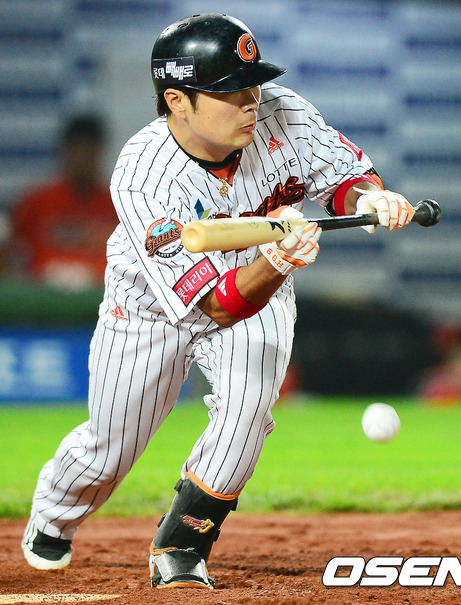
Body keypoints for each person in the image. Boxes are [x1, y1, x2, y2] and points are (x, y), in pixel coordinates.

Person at [21, 13, 415, 589]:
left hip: (261, 284)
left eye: (252, 83)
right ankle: (54, 513)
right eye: (230, 91)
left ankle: (183, 543)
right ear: (177, 101)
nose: (251, 100)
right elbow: (216, 306)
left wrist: (371, 199)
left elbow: (344, 180)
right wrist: (280, 259)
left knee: (248, 411)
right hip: (152, 304)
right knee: (111, 447)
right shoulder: (144, 174)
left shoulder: (284, 114)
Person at [10, 114, 117, 290]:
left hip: (101, 296)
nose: (83, 158)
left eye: (89, 150)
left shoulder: (117, 204)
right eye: (78, 149)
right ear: (66, 150)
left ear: (99, 151)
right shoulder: (38, 202)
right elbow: (11, 252)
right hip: (44, 296)